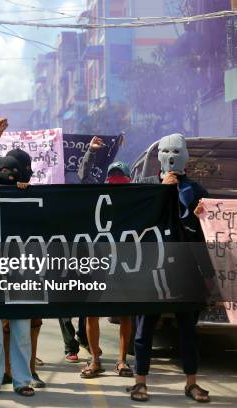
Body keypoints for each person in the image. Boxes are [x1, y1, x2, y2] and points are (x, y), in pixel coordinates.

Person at [128, 133, 210, 403]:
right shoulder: (146, 186)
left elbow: (208, 229)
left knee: (188, 329)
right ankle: (140, 382)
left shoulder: (196, 190)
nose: (172, 155)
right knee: (144, 329)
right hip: (152, 267)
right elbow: (136, 222)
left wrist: (202, 215)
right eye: (167, 150)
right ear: (159, 155)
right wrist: (161, 190)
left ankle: (191, 383)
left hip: (186, 266)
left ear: (185, 154)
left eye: (177, 150)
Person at [0, 116, 36, 398]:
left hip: (24, 267)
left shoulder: (30, 196)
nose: (5, 173)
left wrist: (26, 192)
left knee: (22, 330)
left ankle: (22, 381)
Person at [77, 136, 134, 379]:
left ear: (129, 180)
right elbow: (84, 176)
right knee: (92, 312)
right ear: (107, 179)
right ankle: (95, 359)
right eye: (113, 176)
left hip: (124, 262)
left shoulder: (138, 197)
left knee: (125, 314)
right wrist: (91, 151)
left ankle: (122, 361)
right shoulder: (98, 194)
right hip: (97, 260)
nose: (116, 180)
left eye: (120, 177)